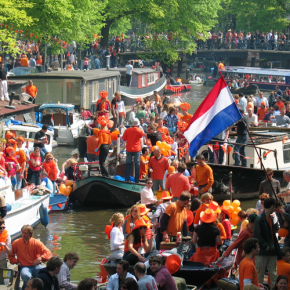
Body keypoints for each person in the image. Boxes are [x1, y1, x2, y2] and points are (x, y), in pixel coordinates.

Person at [8, 225, 51, 290]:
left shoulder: (36, 243)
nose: (23, 235)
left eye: (25, 233)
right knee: (26, 276)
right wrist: (16, 262)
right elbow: (10, 256)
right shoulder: (16, 243)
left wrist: (40, 258)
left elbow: (48, 253)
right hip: (25, 266)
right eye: (22, 233)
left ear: (30, 234)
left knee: (46, 273)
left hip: (36, 266)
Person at [254, 198, 281, 289]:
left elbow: (273, 234)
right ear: (272, 206)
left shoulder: (270, 217)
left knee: (274, 274)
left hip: (271, 250)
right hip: (263, 250)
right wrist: (266, 246)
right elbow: (257, 235)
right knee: (260, 273)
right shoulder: (260, 219)